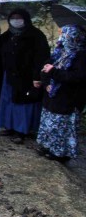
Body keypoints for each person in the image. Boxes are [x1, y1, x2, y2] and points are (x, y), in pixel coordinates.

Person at [0, 9, 50, 144]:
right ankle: (9, 126)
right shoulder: (7, 35)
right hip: (9, 75)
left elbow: (42, 57)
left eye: (19, 17)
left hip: (27, 76)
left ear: (26, 19)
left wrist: (38, 76)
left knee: (24, 103)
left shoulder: (36, 35)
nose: (16, 20)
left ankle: (22, 130)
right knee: (9, 101)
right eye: (13, 17)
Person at [36, 25, 86, 161]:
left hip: (68, 98)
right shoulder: (59, 51)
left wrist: (54, 72)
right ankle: (48, 146)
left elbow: (77, 78)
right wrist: (46, 83)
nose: (63, 38)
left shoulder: (81, 56)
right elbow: (46, 66)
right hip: (52, 95)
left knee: (62, 126)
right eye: (62, 34)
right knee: (50, 123)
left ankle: (60, 153)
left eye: (66, 35)